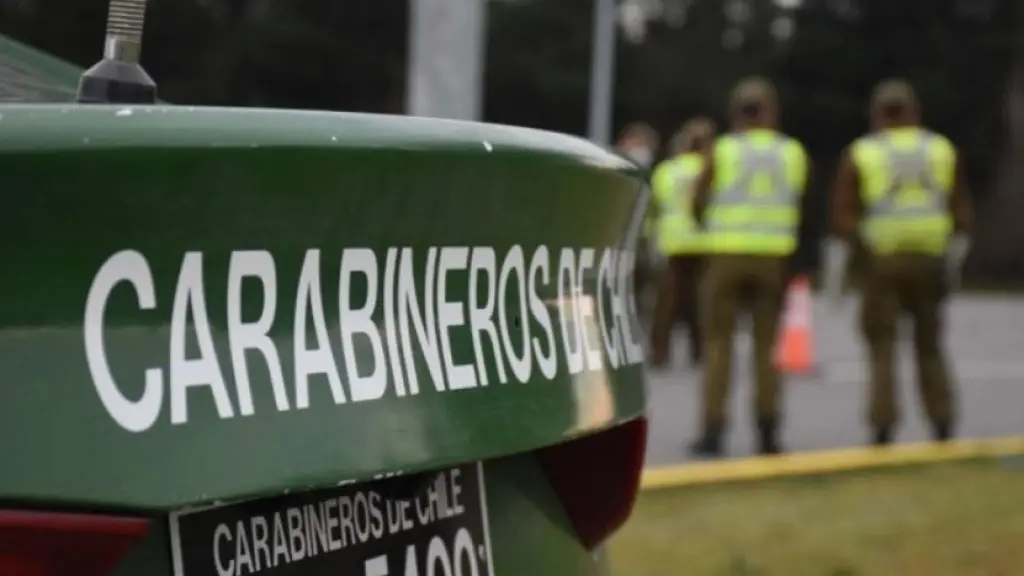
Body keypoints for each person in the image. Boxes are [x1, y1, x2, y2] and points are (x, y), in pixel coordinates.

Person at [825, 79, 972, 446]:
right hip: (930, 258)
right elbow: (961, 212)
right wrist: (953, 264)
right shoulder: (941, 150)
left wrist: (839, 274)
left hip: (882, 261)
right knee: (930, 344)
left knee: (882, 344)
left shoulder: (863, 153)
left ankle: (883, 422)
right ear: (915, 112)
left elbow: (843, 216)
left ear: (876, 115)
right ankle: (942, 419)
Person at [689, 76, 811, 457]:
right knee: (766, 348)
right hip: (773, 258)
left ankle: (713, 430)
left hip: (725, 254)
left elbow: (698, 199)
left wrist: (709, 226)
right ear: (771, 112)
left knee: (718, 345)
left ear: (736, 113)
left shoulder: (722, 150)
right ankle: (767, 430)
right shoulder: (791, 152)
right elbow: (800, 198)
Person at [648, 117, 717, 368]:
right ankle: (700, 353)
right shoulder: (710, 169)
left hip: (673, 243)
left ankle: (659, 353)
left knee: (666, 304)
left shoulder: (667, 170)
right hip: (705, 243)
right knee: (700, 302)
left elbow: (655, 205)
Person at [615, 122, 662, 318]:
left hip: (641, 243)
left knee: (638, 297)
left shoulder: (657, 177)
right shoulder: (611, 176)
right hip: (616, 242)